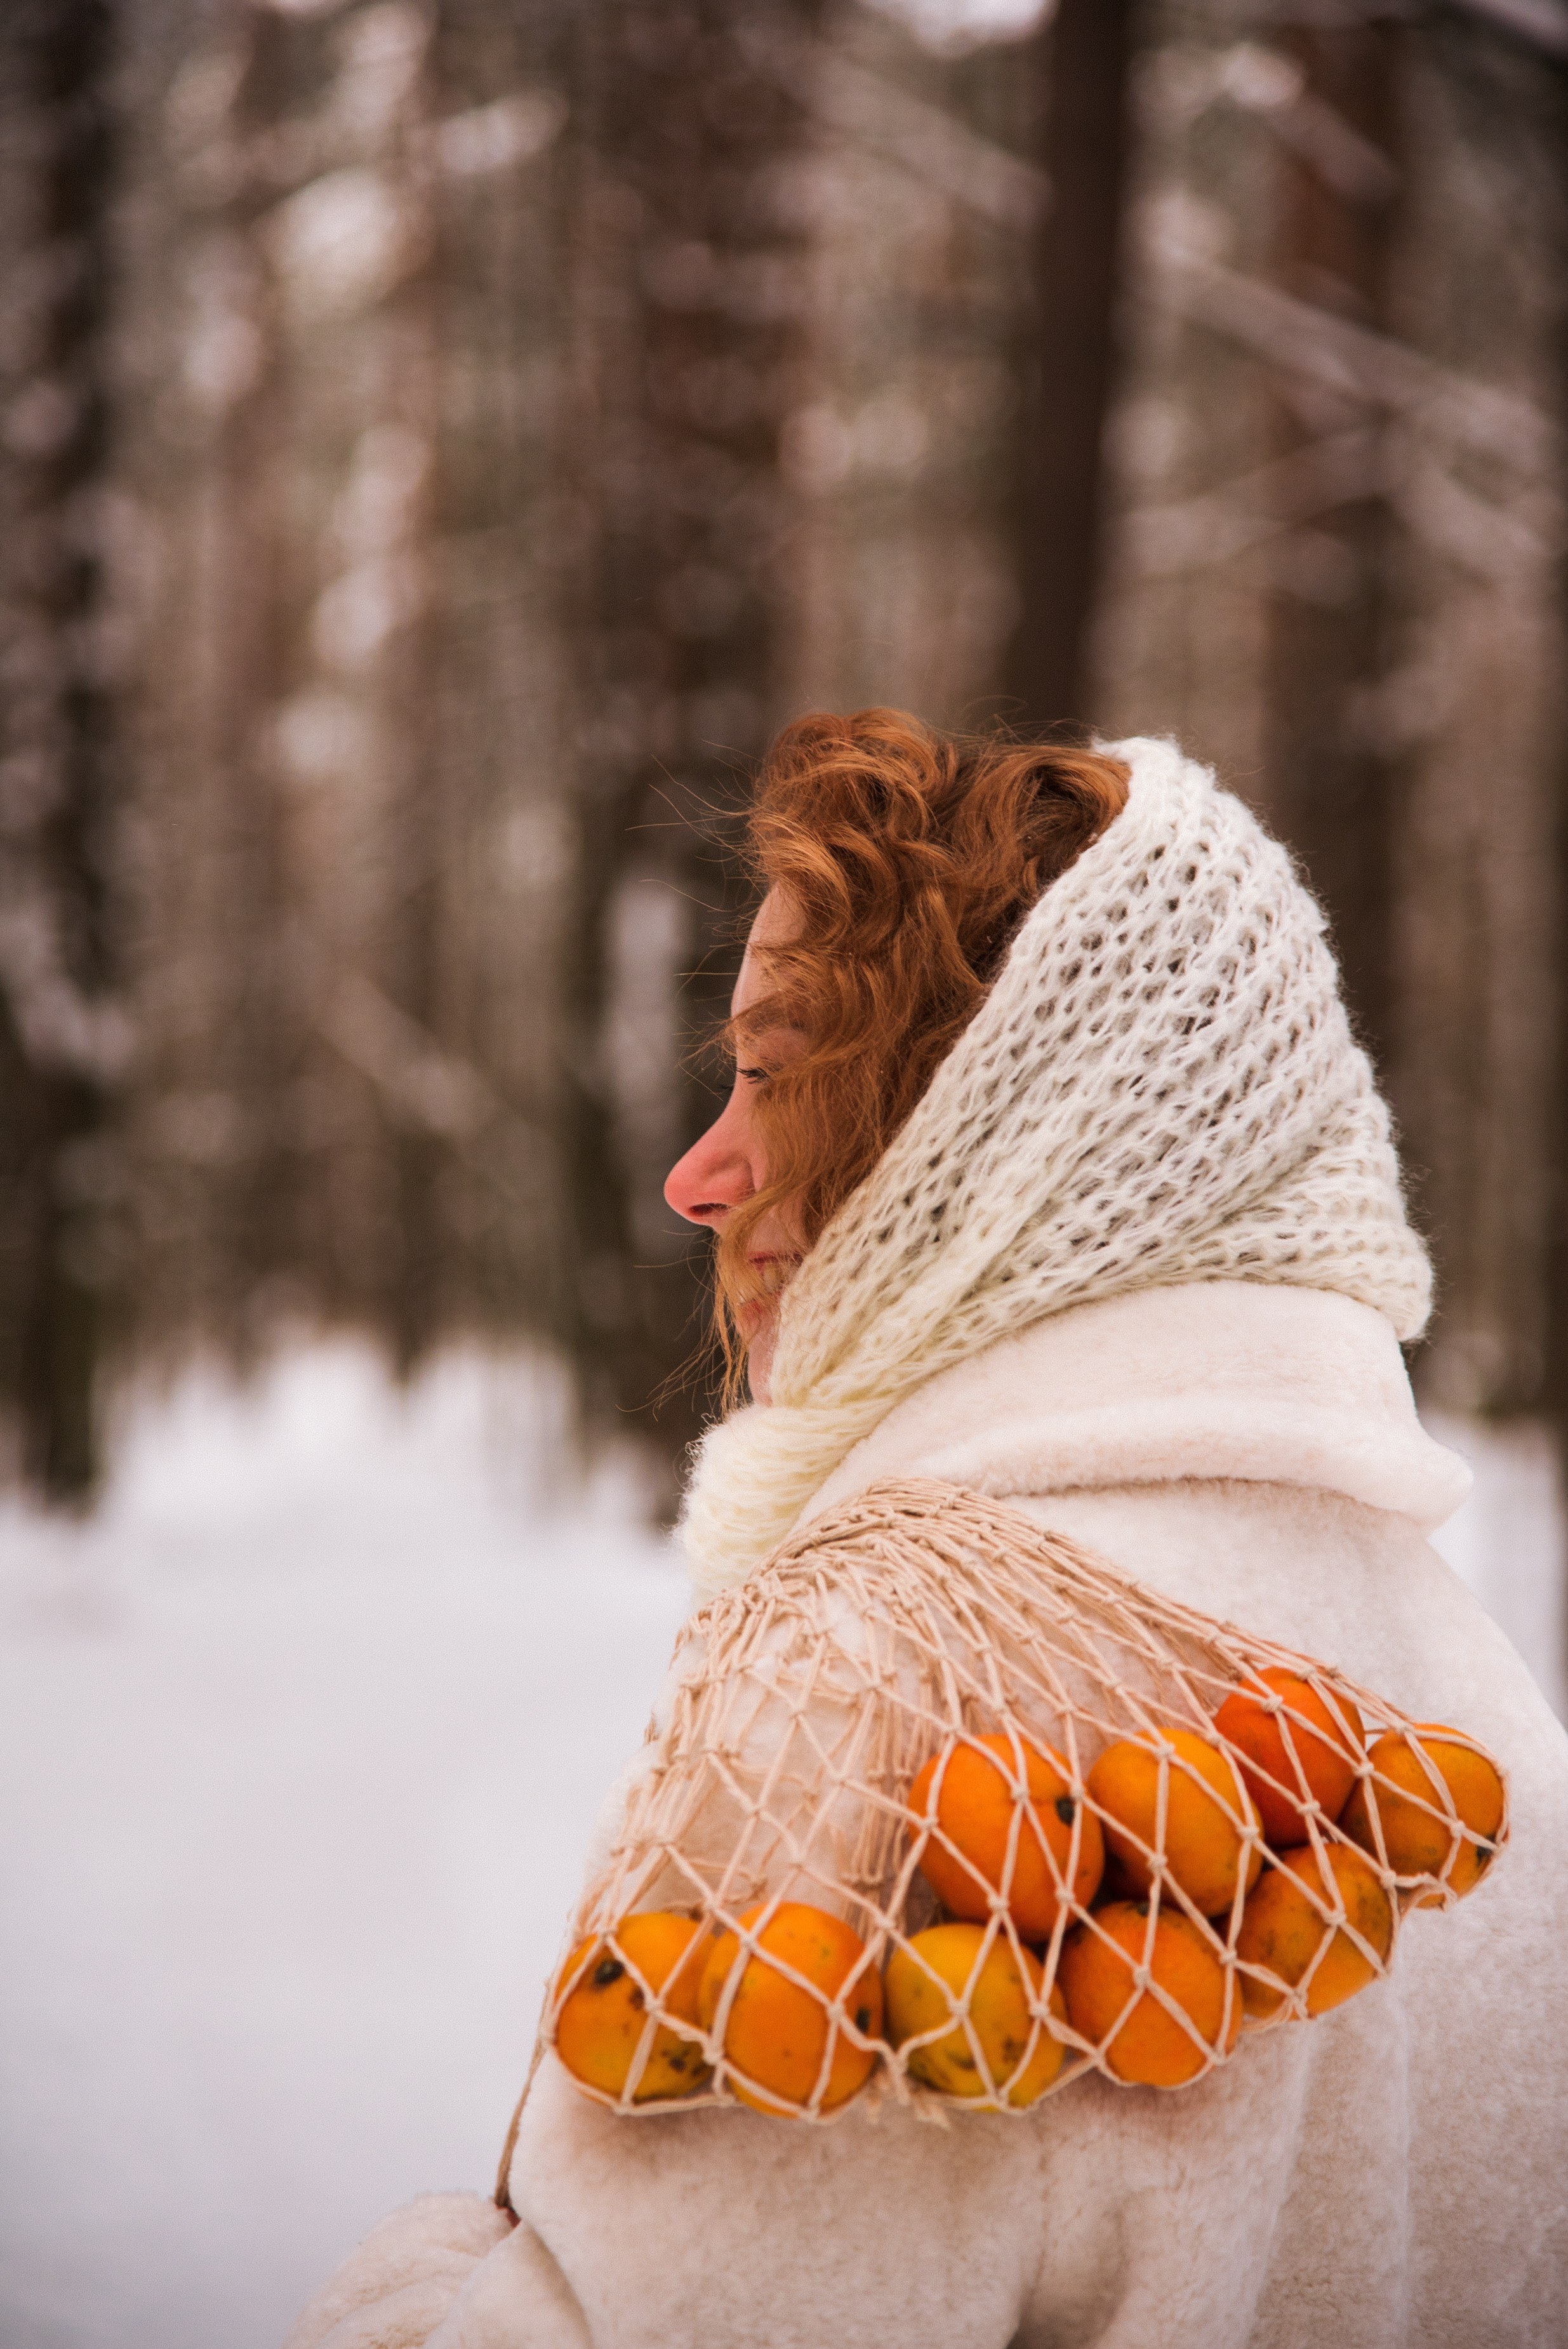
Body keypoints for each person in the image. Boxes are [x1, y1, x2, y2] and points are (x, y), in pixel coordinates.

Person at [286, 712, 1568, 2349]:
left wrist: (426, 2270)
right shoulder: (1472, 1707)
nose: (701, 1176)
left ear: (1000, 1135)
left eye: (774, 1070)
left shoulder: (886, 1675)